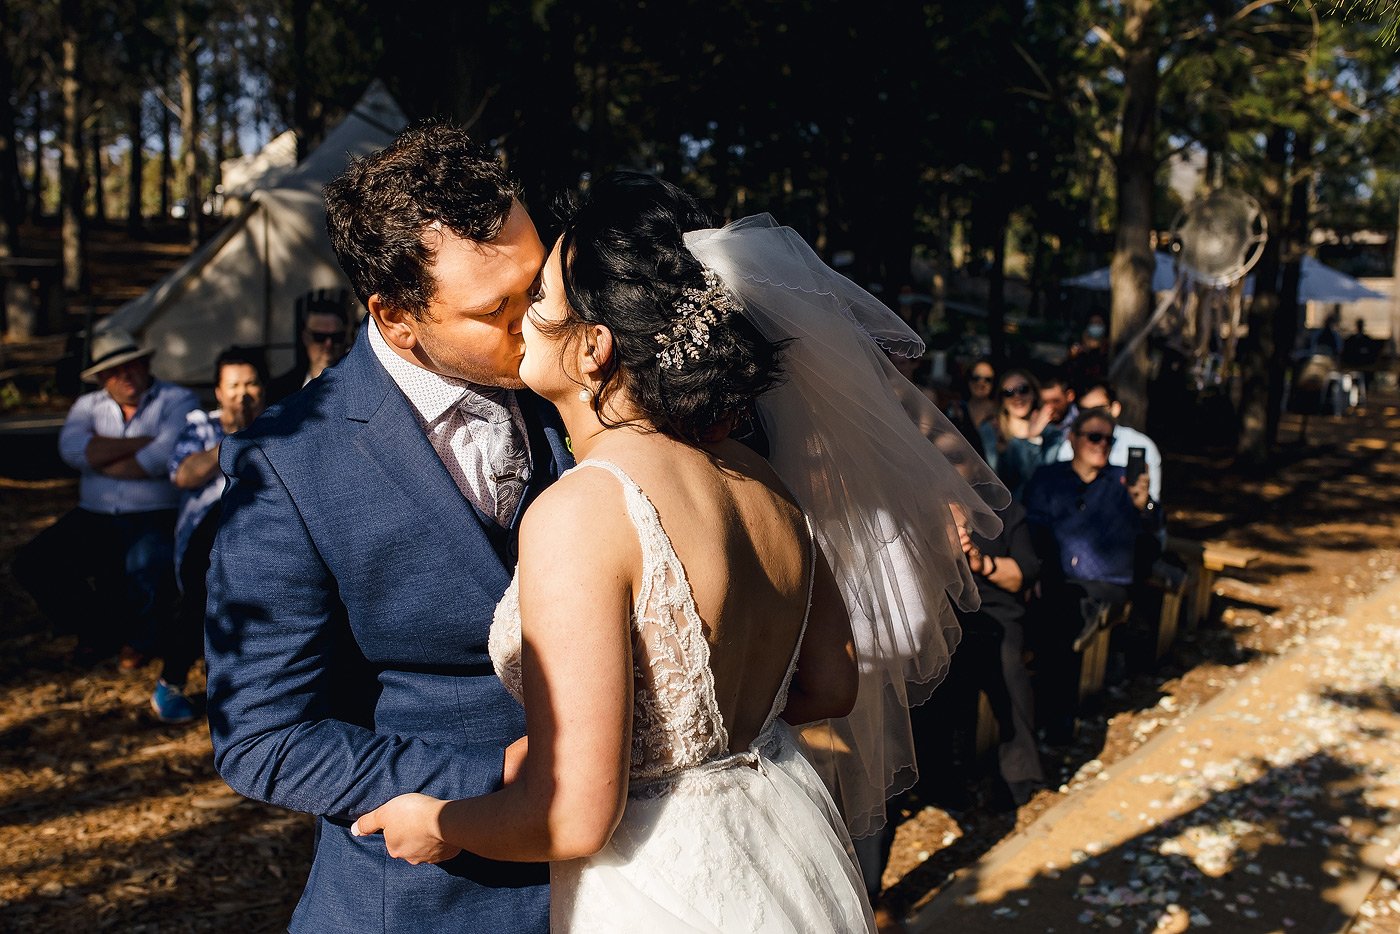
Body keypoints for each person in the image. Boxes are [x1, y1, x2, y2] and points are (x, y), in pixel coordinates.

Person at [351, 173, 1007, 931]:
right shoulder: (766, 482)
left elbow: (572, 820)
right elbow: (830, 686)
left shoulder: (583, 510)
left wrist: (435, 823)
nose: (519, 320)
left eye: (540, 301)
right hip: (782, 840)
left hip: (659, 885)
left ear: (593, 347)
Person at [205, 122, 573, 933]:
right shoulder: (290, 463)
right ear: (397, 316)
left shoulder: (579, 378)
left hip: (624, 876)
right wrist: (485, 774)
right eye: (495, 310)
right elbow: (262, 738)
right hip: (431, 898)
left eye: (536, 285)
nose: (539, 323)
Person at [12, 329, 198, 666]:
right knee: (34, 563)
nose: (124, 375)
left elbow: (164, 455)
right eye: (113, 370)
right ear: (101, 377)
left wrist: (100, 453)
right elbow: (70, 451)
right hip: (94, 511)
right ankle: (96, 628)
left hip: (155, 511)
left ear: (145, 363)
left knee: (148, 567)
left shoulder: (178, 399)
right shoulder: (88, 405)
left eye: (131, 366)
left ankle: (142, 640)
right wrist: (143, 442)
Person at [1022, 408, 1159, 743]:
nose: (1101, 445)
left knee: (1067, 620)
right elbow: (1032, 528)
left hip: (1105, 583)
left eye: (1108, 439)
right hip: (1056, 579)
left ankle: (1059, 722)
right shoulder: (1048, 477)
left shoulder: (1122, 482)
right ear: (1073, 439)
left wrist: (1145, 506)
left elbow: (1153, 535)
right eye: (1093, 437)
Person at [148, 348, 267, 723]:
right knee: (208, 578)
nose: (242, 394)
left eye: (250, 383)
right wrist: (235, 440)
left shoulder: (284, 423)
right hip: (207, 534)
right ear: (217, 391)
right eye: (233, 385)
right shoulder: (201, 426)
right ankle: (172, 682)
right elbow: (183, 475)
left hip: (266, 533)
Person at [1051, 378, 1163, 503]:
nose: (1093, 417)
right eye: (1085, 411)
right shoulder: (1071, 445)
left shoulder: (1141, 445)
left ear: (1115, 408)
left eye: (1099, 409)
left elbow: (1153, 502)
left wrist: (1144, 505)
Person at [265, 292, 352, 403]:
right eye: (319, 337)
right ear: (305, 337)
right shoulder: (278, 390)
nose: (328, 345)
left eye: (336, 337)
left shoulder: (359, 386)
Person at [993, 367, 1045, 498]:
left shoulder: (1051, 434)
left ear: (1034, 393)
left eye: (1023, 389)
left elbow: (1037, 480)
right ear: (1001, 399)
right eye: (1009, 392)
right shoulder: (991, 432)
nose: (1017, 397)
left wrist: (1034, 439)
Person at [945, 357, 998, 466]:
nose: (981, 383)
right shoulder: (956, 409)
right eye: (976, 378)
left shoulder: (1000, 412)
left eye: (987, 379)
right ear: (968, 380)